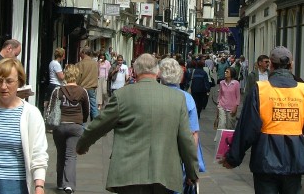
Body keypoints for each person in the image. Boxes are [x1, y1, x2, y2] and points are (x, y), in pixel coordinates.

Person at [76, 53, 199, 193]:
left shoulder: (122, 95)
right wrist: (192, 172)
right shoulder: (177, 98)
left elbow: (98, 125)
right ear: (157, 72)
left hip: (129, 175)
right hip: (164, 174)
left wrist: (82, 145)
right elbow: (186, 138)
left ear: (134, 71)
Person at [221, 46, 304, 194]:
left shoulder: (260, 90)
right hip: (294, 158)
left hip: (265, 159)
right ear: (291, 64)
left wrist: (233, 158)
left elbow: (247, 128)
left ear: (270, 64)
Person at [0, 58, 48, 194]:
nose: (3, 86)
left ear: (19, 82)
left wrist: (39, 186)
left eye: (9, 81)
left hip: (15, 184)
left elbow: (39, 153)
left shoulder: (31, 114)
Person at [158, 58, 206, 194]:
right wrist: (192, 168)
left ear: (160, 74)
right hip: (179, 159)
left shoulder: (154, 96)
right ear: (180, 76)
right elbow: (193, 135)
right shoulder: (187, 98)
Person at [50, 64, 90, 194]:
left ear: (66, 76)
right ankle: (69, 185)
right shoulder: (83, 91)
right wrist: (81, 121)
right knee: (71, 156)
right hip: (76, 126)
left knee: (61, 154)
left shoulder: (57, 91)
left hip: (60, 126)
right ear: (77, 76)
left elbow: (51, 109)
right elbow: (87, 110)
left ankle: (60, 183)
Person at [76, 46, 99, 120]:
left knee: (82, 107)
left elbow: (78, 77)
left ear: (84, 53)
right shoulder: (95, 64)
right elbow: (97, 74)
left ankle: (82, 124)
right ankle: (95, 124)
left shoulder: (80, 64)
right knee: (93, 106)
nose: (80, 54)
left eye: (81, 53)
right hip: (92, 87)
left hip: (82, 88)